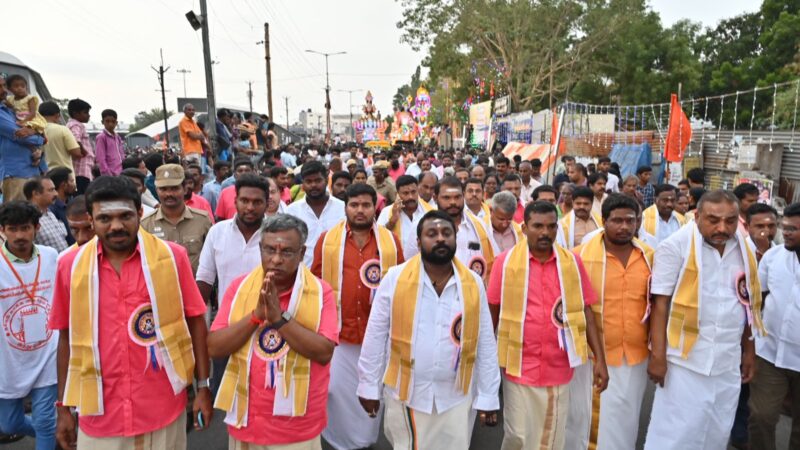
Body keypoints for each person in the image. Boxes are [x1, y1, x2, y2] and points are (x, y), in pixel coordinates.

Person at [50, 176, 212, 449]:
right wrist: (63, 407)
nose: (116, 226)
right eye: (105, 218)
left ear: (139, 213)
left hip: (162, 406)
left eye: (125, 216)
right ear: (91, 218)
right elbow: (66, 338)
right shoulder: (70, 265)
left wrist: (203, 387)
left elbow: (195, 321)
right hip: (100, 412)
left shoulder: (172, 257)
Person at [358, 210, 501, 449]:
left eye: (446, 233)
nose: (440, 239)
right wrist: (368, 385)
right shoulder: (395, 278)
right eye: (431, 234)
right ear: (418, 241)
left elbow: (485, 340)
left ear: (456, 238)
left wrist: (488, 395)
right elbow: (375, 335)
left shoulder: (472, 282)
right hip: (407, 392)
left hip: (456, 395)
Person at [644, 190, 764, 450]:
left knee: (717, 430)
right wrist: (658, 356)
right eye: (713, 220)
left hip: (727, 360)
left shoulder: (745, 248)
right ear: (697, 216)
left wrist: (749, 351)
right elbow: (660, 303)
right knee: (676, 434)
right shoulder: (674, 246)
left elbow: (748, 303)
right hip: (685, 362)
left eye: (730, 221)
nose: (723, 228)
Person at [208, 214, 338, 449]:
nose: (276, 259)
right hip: (246, 420)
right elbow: (215, 347)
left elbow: (324, 352)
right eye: (269, 250)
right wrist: (255, 317)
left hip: (297, 426)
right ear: (260, 249)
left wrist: (280, 320)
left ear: (301, 253)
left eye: (287, 252)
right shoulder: (239, 288)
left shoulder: (321, 292)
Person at [488, 201, 607, 450]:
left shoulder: (572, 263)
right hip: (518, 363)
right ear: (524, 228)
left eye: (551, 226)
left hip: (559, 364)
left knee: (551, 435)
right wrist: (486, 369)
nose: (545, 232)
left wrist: (600, 360)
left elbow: (586, 309)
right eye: (538, 226)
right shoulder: (505, 262)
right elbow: (493, 312)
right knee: (518, 435)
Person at [312, 184, 404, 449]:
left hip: (378, 335)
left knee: (372, 390)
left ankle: (365, 441)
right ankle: (340, 442)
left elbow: (401, 283)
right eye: (354, 205)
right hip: (340, 332)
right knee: (338, 393)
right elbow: (316, 283)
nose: (360, 210)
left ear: (374, 207)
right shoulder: (328, 240)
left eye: (366, 205)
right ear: (346, 208)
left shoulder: (390, 241)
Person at [574, 194, 654, 449]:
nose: (624, 227)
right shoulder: (579, 257)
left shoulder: (650, 257)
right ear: (603, 221)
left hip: (635, 355)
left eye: (630, 221)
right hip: (591, 356)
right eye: (616, 221)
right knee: (585, 421)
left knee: (626, 419)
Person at [0, 201, 59, 450]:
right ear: (2, 229)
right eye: (12, 229)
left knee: (45, 420)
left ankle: (50, 435)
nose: (20, 236)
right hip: (8, 357)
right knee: (9, 424)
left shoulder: (51, 256)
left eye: (25, 228)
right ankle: (61, 436)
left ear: (36, 228)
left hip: (47, 351)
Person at [748, 202, 800, 450]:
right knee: (761, 416)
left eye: (795, 229)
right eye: (785, 227)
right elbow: (759, 299)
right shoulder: (773, 257)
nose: (786, 233)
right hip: (769, 352)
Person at [141, 164, 213, 274]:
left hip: (196, 288)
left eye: (174, 188)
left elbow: (212, 258)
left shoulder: (202, 220)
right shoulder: (145, 224)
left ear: (184, 189)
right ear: (156, 190)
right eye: (163, 189)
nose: (169, 194)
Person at [435, 176, 499, 279]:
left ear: (463, 196)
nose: (453, 202)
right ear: (435, 197)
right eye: (446, 197)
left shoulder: (480, 225)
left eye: (457, 197)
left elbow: (495, 260)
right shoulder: (422, 227)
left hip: (473, 291)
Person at [285, 161, 346, 268]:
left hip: (337, 272)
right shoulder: (292, 211)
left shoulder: (343, 208)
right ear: (302, 184)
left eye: (318, 180)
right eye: (308, 181)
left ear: (327, 181)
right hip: (303, 275)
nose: (313, 185)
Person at [0, 76, 46, 202]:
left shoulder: (9, 109)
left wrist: (33, 131)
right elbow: (21, 136)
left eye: (4, 85)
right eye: (0, 87)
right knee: (18, 217)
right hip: (16, 172)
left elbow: (29, 130)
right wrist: (40, 139)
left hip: (29, 169)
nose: (4, 90)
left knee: (31, 215)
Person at [377, 175, 433, 258]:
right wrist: (392, 221)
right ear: (397, 194)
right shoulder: (387, 212)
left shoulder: (430, 212)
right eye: (405, 193)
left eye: (413, 192)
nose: (410, 197)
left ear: (418, 191)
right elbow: (378, 239)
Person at [4, 75, 45, 167]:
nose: (20, 88)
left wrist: (25, 122)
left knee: (28, 134)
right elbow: (10, 105)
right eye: (16, 86)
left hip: (31, 119)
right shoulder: (11, 99)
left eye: (23, 86)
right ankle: (36, 153)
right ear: (9, 88)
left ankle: (38, 152)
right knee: (24, 138)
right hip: (19, 119)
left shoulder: (30, 98)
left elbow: (33, 113)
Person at [23, 177, 68, 253]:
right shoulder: (26, 219)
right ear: (36, 194)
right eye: (51, 190)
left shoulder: (50, 213)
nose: (56, 194)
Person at [39, 102, 80, 172]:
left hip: (45, 175)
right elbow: (76, 153)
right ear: (57, 115)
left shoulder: (36, 131)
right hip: (64, 175)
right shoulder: (63, 129)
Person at [64, 99, 93, 195]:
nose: (88, 115)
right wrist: (84, 152)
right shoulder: (75, 125)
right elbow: (76, 139)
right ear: (75, 113)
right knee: (83, 194)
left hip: (82, 169)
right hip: (81, 168)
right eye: (85, 112)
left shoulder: (74, 124)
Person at [46, 167, 76, 245]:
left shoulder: (72, 202)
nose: (74, 184)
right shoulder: (51, 210)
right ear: (64, 185)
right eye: (72, 181)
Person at [94, 109, 125, 176]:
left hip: (121, 173)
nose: (110, 124)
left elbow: (122, 155)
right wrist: (107, 174)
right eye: (107, 121)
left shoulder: (118, 137)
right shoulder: (101, 137)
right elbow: (100, 159)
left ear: (116, 123)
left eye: (113, 122)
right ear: (102, 122)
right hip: (109, 174)